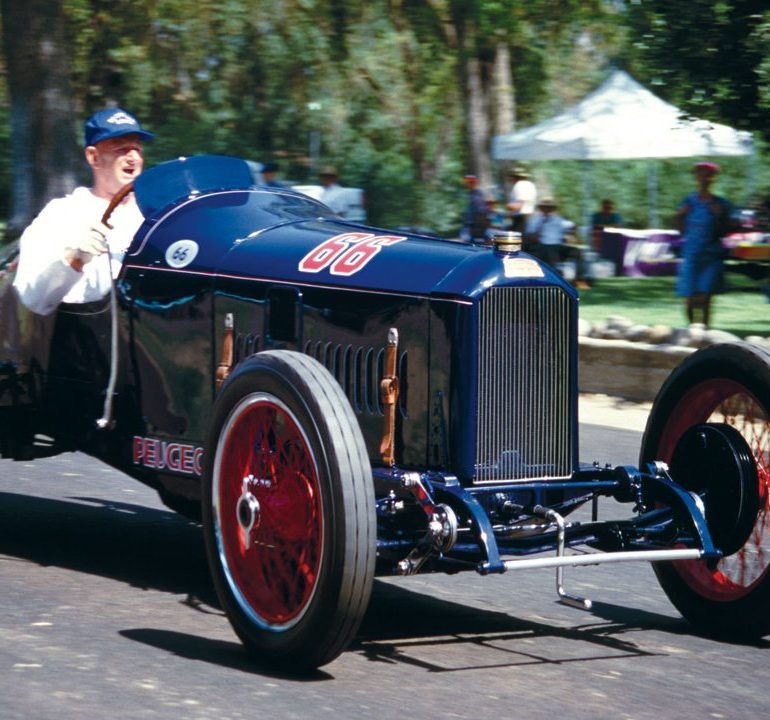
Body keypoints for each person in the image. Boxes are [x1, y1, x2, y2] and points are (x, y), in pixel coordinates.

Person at [13, 107, 154, 316]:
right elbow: (33, 298)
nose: (132, 157)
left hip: (152, 336)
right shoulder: (62, 214)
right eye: (121, 149)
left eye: (137, 148)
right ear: (93, 157)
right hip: (85, 336)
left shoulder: (156, 215)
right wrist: (74, 259)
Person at [675, 161, 733, 327]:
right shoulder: (688, 202)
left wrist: (719, 217)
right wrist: (679, 216)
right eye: (700, 173)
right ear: (696, 177)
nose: (704, 177)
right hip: (691, 254)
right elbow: (680, 230)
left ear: (714, 178)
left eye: (708, 174)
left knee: (706, 297)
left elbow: (726, 231)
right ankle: (692, 331)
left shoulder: (721, 203)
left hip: (711, 255)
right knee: (689, 297)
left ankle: (705, 333)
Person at [525, 197, 590, 289]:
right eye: (545, 207)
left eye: (549, 207)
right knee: (549, 251)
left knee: (577, 252)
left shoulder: (558, 219)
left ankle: (579, 280)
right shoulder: (535, 220)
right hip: (541, 246)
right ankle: (553, 280)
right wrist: (541, 225)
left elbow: (573, 226)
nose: (547, 209)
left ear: (552, 209)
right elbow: (530, 237)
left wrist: (572, 236)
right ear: (541, 208)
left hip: (557, 246)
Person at [506, 166, 537, 232]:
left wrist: (508, 206)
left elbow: (520, 206)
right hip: (524, 219)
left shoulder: (521, 185)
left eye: (512, 177)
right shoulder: (527, 185)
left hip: (522, 220)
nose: (511, 179)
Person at [460, 174, 489, 241]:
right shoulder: (465, 194)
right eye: (468, 182)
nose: (470, 184)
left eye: (472, 182)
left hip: (475, 227)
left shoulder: (478, 194)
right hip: (467, 225)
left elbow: (481, 211)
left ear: (476, 183)